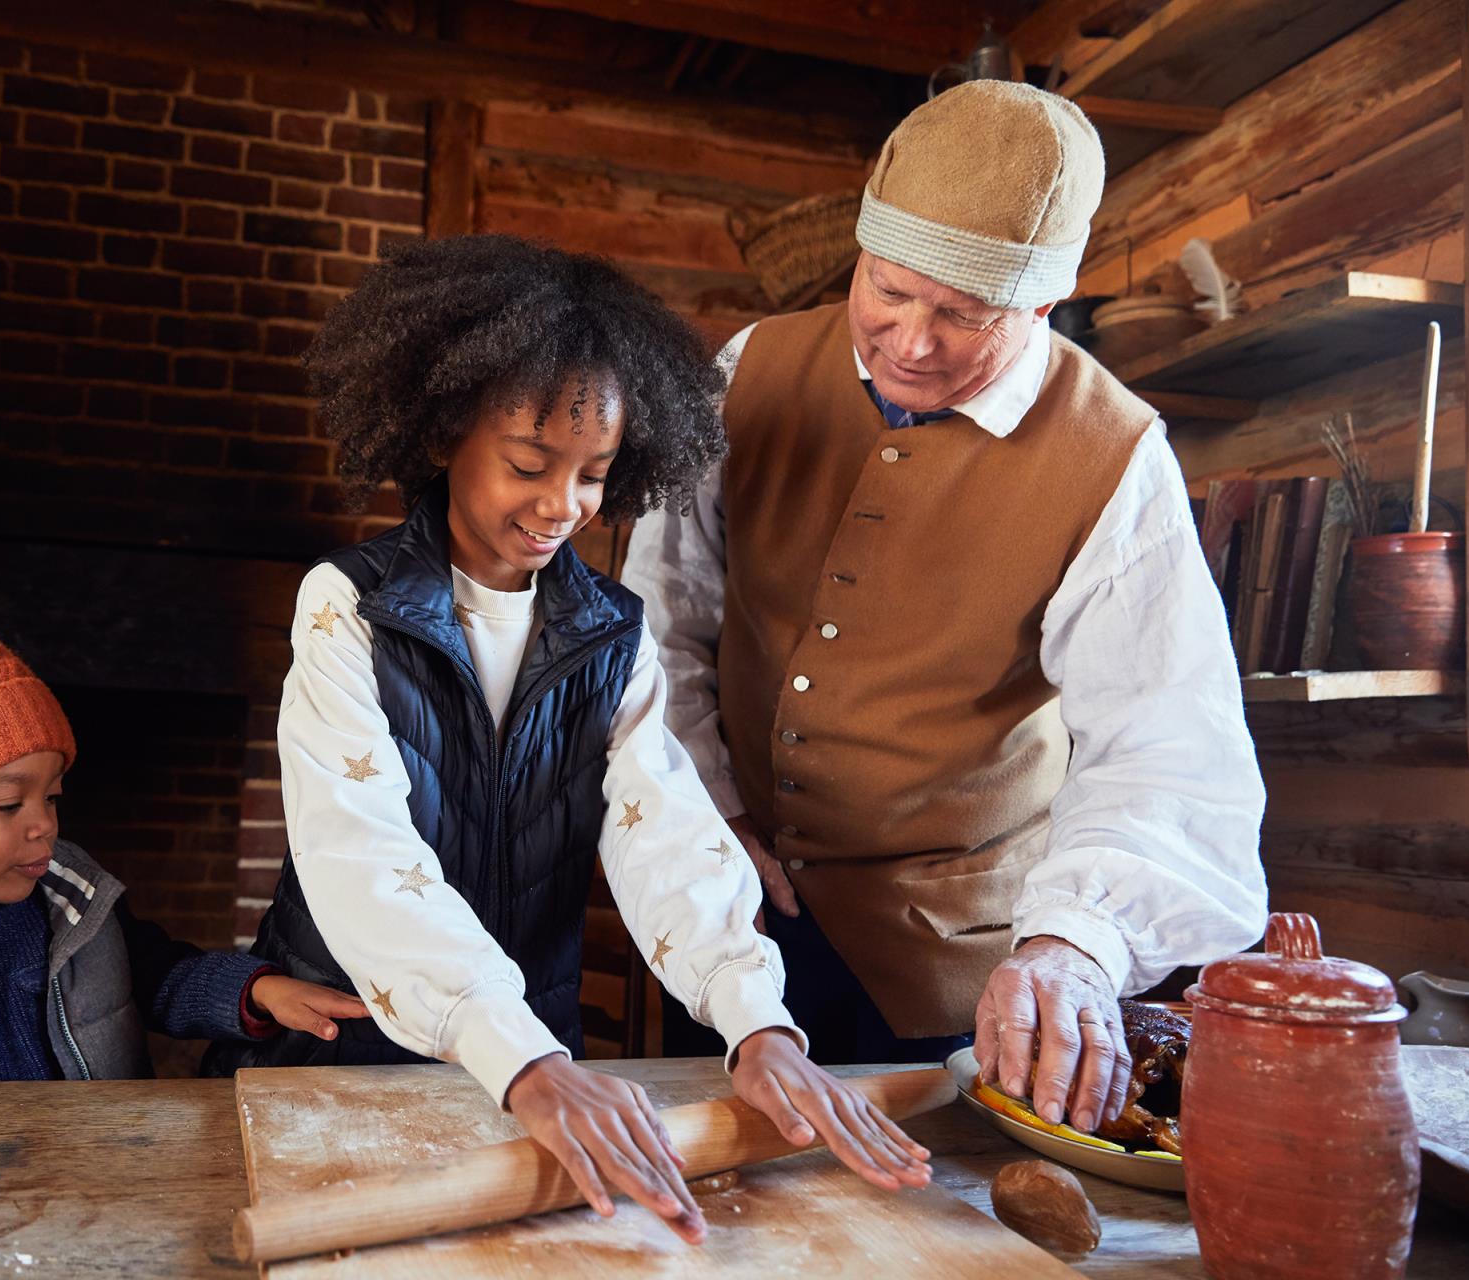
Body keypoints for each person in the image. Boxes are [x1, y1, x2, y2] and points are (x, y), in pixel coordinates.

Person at [203, 235, 932, 1244]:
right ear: (441, 433)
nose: (563, 506)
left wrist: (756, 1019)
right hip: (349, 1044)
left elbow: (665, 832)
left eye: (593, 474)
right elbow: (360, 852)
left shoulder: (612, 634)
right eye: (528, 465)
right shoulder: (347, 607)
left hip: (540, 1061)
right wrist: (522, 1056)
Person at [623, 81, 1268, 1138]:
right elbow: (662, 617)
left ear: (1042, 307)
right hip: (729, 910)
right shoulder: (748, 371)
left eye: (966, 315)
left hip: (960, 954)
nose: (911, 341)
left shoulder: (1115, 458)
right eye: (888, 291)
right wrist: (712, 809)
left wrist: (1072, 945)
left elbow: (1167, 746)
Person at [0, 510, 368, 1089]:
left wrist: (258, 992)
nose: (43, 826)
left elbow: (159, 977)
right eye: (7, 805)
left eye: (50, 798)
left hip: (98, 1176)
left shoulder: (71, 909)